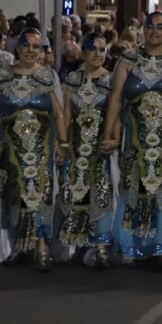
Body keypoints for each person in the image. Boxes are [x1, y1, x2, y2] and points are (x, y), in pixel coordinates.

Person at [0, 28, 66, 269]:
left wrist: (63, 143)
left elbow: (59, 113)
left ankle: (41, 247)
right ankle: (19, 244)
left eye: (36, 46)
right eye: (27, 45)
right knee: (14, 197)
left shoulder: (48, 77)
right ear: (16, 48)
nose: (31, 50)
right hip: (11, 149)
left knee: (41, 195)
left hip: (41, 150)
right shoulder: (2, 77)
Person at [100, 11, 162, 269]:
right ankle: (137, 245)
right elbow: (116, 99)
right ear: (143, 29)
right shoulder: (127, 60)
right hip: (136, 137)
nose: (154, 31)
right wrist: (110, 133)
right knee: (136, 187)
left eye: (161, 27)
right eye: (150, 26)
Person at [57, 33, 115, 267]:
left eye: (102, 50)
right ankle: (80, 244)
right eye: (93, 49)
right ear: (83, 52)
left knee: (101, 194)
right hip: (76, 147)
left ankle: (100, 247)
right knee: (74, 194)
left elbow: (117, 113)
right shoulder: (72, 79)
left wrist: (114, 139)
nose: (98, 54)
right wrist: (62, 144)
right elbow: (65, 114)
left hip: (100, 150)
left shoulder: (111, 80)